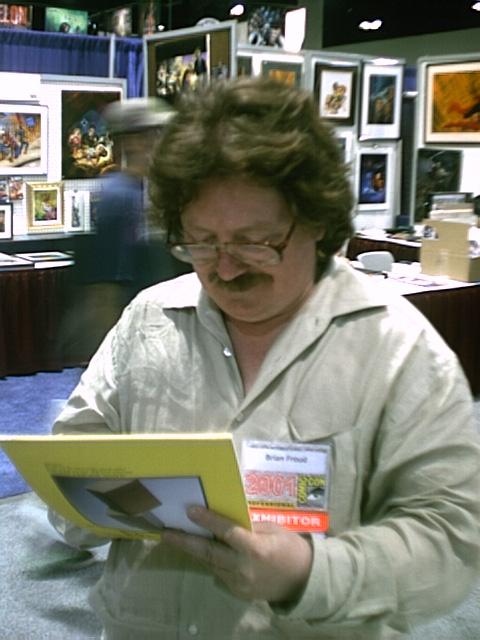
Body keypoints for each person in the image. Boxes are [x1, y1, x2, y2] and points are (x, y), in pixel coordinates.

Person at [50, 77, 480, 639]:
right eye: (202, 241)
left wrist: (309, 573)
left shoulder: (398, 348)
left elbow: (451, 539)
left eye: (255, 241)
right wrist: (93, 504)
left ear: (318, 222)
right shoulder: (151, 317)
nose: (225, 268)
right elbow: (75, 452)